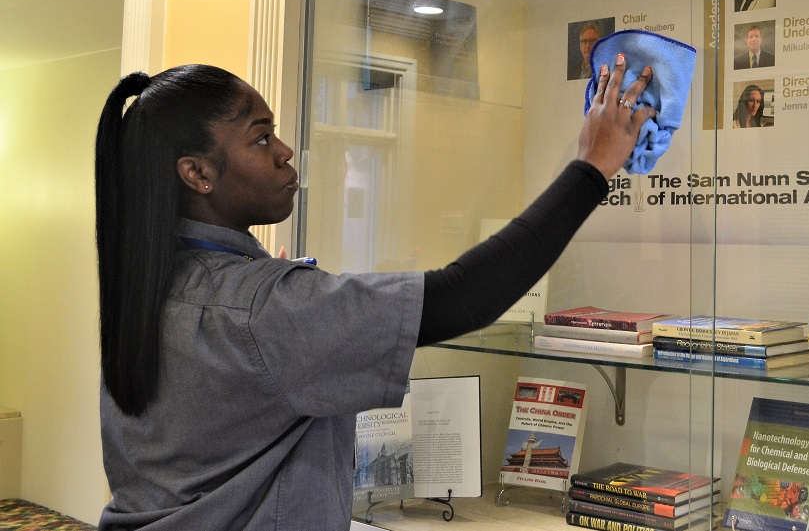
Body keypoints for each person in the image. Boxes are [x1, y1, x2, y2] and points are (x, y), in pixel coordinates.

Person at [94, 59, 654, 530]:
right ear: (197, 173)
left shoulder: (153, 287)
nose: (285, 150)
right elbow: (464, 298)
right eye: (261, 137)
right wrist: (593, 166)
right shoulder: (257, 308)